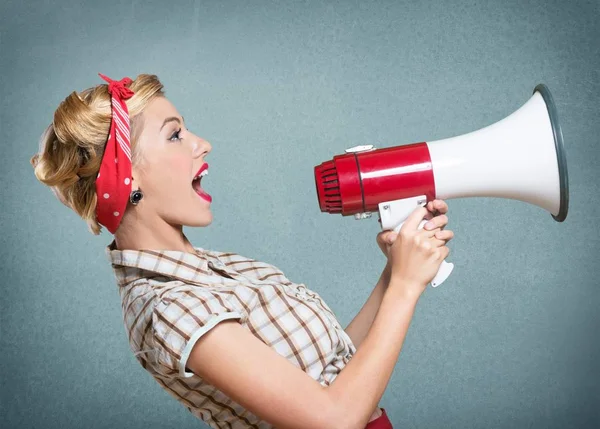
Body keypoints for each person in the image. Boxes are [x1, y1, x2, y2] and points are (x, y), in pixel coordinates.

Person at [31, 73, 453, 429]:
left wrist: (394, 271)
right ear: (128, 179)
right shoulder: (170, 308)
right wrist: (405, 287)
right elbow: (334, 419)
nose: (203, 143)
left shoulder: (221, 268)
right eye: (175, 134)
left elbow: (334, 364)